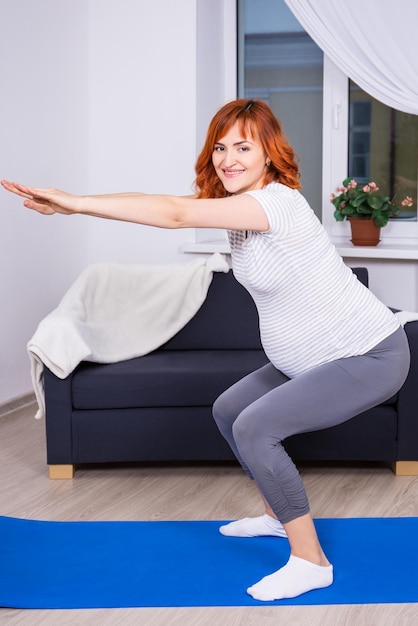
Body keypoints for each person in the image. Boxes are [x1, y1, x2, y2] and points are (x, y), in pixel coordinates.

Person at [1, 99, 410, 601]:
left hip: (367, 355)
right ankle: (278, 516)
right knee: (229, 408)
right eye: (220, 146)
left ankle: (311, 561)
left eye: (243, 146)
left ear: (269, 155)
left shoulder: (276, 203)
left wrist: (76, 201)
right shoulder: (241, 211)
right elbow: (162, 201)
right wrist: (76, 203)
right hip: (307, 360)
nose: (228, 157)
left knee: (255, 427)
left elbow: (173, 214)